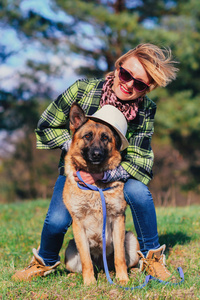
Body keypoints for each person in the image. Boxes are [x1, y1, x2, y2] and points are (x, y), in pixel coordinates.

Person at [12, 43, 178, 282]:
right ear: (118, 66)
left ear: (148, 88)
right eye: (126, 74)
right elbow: (45, 126)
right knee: (57, 220)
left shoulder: (145, 110)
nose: (129, 84)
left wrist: (107, 176)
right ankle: (44, 262)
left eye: (140, 83)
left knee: (140, 193)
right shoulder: (82, 89)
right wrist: (74, 149)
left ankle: (151, 258)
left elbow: (142, 160)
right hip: (76, 171)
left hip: (117, 173)